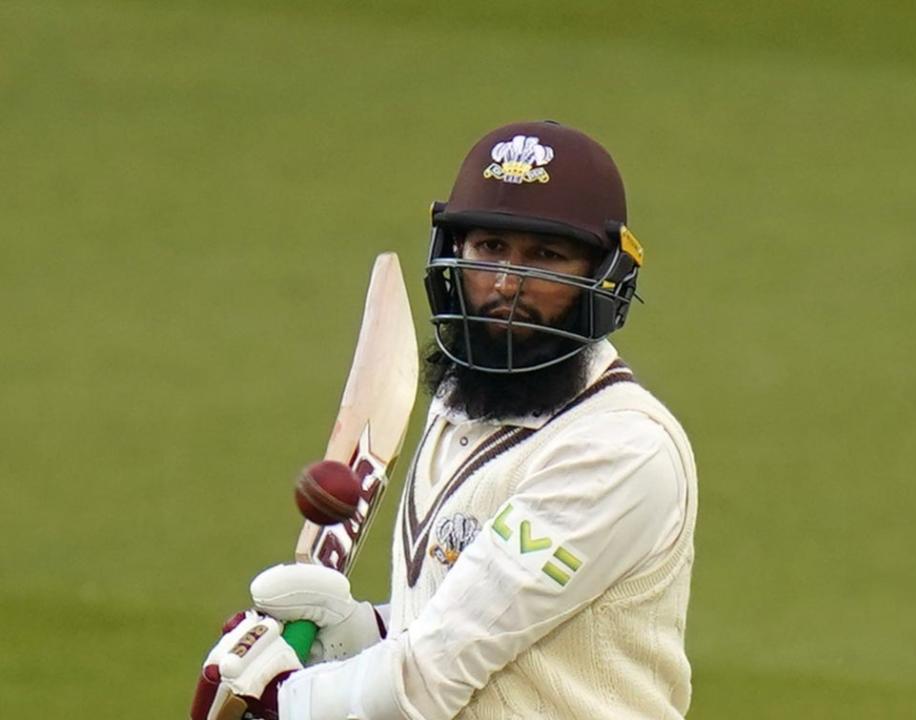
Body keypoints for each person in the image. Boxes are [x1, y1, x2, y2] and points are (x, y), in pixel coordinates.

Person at [191, 120, 699, 720]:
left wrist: (282, 698)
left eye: (546, 256)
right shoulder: (459, 403)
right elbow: (467, 623)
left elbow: (431, 678)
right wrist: (359, 630)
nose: (508, 283)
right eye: (490, 249)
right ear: (453, 254)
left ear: (602, 278)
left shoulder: (619, 450)